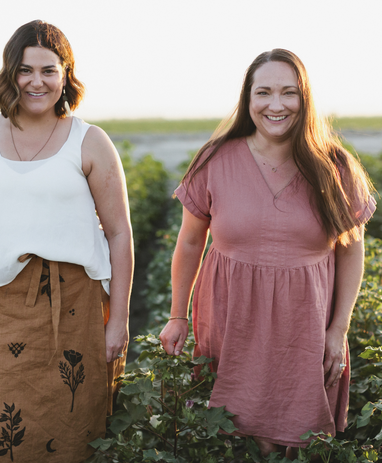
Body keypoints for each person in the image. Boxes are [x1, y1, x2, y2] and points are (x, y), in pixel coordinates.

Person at [0, 20, 133, 463]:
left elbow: (119, 233)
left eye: (48, 70)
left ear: (66, 76)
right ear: (9, 75)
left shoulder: (90, 141)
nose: (36, 81)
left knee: (75, 429)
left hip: (74, 305)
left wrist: (118, 319)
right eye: (25, 70)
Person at [159, 48, 375, 459]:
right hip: (230, 321)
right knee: (235, 436)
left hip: (304, 328)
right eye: (264, 93)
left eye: (288, 93)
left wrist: (338, 329)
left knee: (296, 438)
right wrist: (176, 316)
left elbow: (351, 251)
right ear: (248, 99)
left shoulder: (335, 167)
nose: (276, 105)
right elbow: (189, 242)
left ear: (304, 99)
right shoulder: (215, 159)